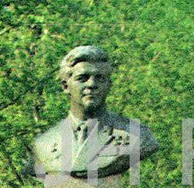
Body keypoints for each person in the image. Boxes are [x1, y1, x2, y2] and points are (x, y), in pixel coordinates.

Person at [32, 45, 160, 180]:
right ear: (65, 86)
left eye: (100, 78)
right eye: (83, 78)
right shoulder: (42, 144)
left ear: (109, 84)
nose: (92, 84)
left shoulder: (138, 135)